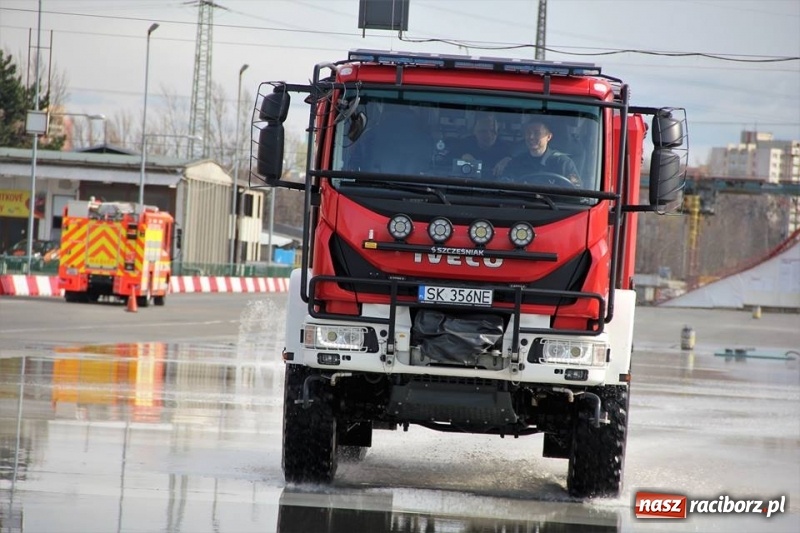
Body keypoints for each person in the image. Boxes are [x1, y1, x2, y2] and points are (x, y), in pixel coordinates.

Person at [503, 120, 581, 187]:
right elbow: (504, 186)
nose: (531, 137)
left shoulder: (563, 163)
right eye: (528, 133)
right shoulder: (516, 162)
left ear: (549, 137)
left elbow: (576, 191)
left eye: (537, 133)